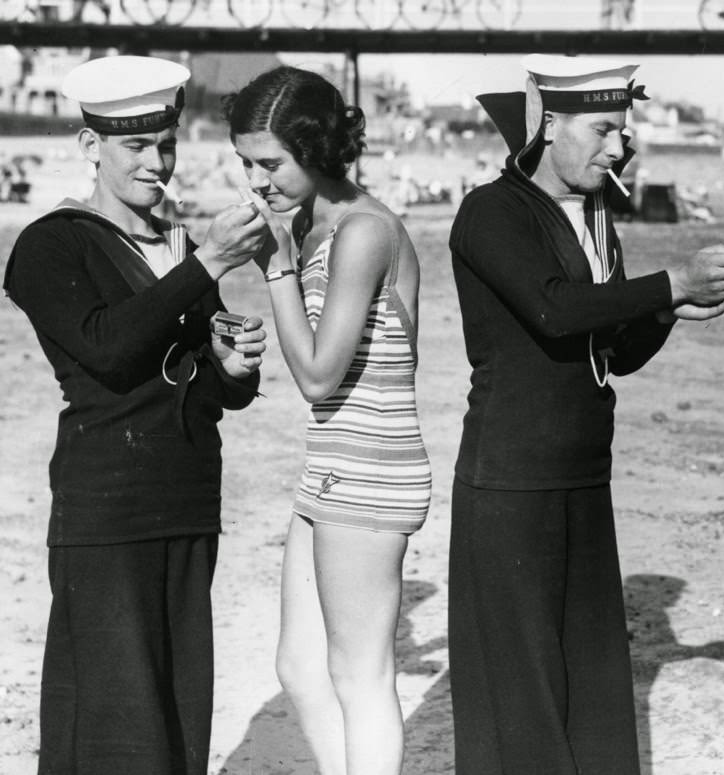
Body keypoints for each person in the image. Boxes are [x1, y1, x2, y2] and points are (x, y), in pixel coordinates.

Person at [447, 54, 724, 774]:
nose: (620, 147)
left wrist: (677, 306)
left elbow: (612, 351)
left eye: (623, 131)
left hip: (582, 474)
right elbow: (555, 311)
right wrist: (670, 280)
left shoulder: (594, 217)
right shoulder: (491, 210)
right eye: (605, 129)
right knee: (522, 693)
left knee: (590, 683)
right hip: (511, 481)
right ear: (548, 125)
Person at [2, 55, 270, 774]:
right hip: (107, 512)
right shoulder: (49, 243)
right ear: (91, 147)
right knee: (115, 726)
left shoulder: (180, 241)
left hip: (186, 500)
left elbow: (201, 388)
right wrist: (207, 267)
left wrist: (235, 370)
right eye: (137, 146)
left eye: (169, 141)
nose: (160, 162)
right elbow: (110, 351)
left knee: (178, 719)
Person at [222, 65, 432, 775]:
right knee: (299, 665)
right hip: (334, 466)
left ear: (315, 149)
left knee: (358, 675)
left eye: (271, 163)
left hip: (372, 468)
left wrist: (276, 270)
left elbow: (317, 374)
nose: (258, 181)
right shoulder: (315, 223)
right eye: (247, 164)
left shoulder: (365, 230)